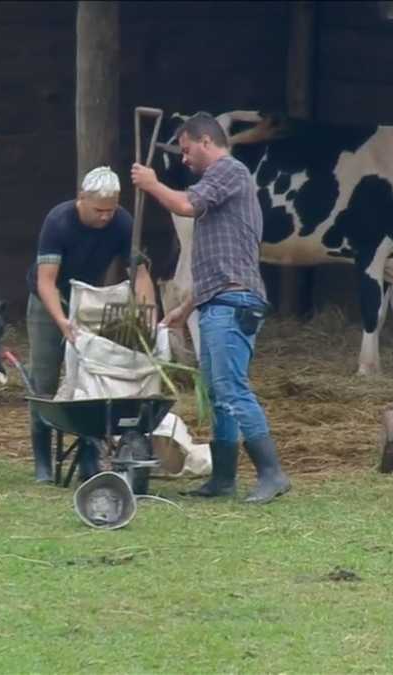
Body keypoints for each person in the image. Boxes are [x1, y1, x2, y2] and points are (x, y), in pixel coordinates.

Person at [130, 113, 291, 504]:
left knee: (231, 388)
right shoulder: (222, 189)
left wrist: (152, 184)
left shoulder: (228, 171)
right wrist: (187, 308)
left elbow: (186, 205)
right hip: (220, 297)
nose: (183, 159)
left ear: (205, 142)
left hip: (233, 302)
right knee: (219, 394)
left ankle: (272, 473)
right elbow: (223, 262)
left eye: (186, 150)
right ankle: (223, 479)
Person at [25, 166, 156, 483]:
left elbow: (138, 274)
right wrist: (61, 321)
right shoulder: (58, 222)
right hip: (50, 302)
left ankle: (89, 455)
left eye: (110, 210)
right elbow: (46, 281)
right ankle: (42, 459)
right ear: (81, 199)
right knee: (43, 380)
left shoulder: (123, 221)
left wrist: (146, 314)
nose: (105, 217)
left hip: (89, 301)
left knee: (89, 380)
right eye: (98, 210)